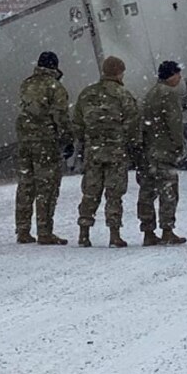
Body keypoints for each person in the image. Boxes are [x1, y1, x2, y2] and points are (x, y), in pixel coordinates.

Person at [73, 55, 142, 248]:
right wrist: (131, 144)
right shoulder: (123, 94)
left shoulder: (87, 94)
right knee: (114, 193)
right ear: (119, 73)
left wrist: (86, 140)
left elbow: (77, 123)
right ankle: (114, 234)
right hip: (115, 152)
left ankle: (84, 232)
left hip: (93, 151)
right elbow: (133, 123)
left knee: (90, 192)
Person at [15, 51, 73, 245]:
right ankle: (45, 231)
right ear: (54, 67)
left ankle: (22, 230)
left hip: (25, 142)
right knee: (46, 187)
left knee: (26, 185)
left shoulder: (27, 83)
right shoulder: (55, 87)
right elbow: (61, 117)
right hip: (46, 142)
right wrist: (67, 140)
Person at [137, 60, 187, 246]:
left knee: (147, 192)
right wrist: (179, 145)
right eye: (178, 74)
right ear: (171, 75)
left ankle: (148, 231)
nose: (180, 78)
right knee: (168, 191)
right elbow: (174, 123)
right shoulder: (170, 94)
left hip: (148, 151)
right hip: (164, 150)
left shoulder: (149, 94)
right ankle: (167, 230)